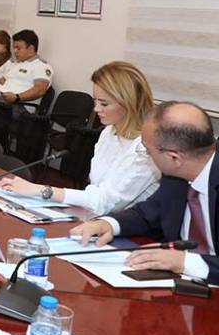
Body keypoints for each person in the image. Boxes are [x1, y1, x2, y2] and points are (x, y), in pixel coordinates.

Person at [71, 102, 219, 284]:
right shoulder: (177, 175)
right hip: (176, 284)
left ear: (174, 157)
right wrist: (109, 224)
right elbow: (148, 213)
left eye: (147, 150)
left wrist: (184, 261)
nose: (146, 155)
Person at [0, 61, 160, 214]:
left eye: (104, 104)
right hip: (98, 217)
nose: (96, 109)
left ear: (129, 103)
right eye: (95, 101)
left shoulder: (147, 147)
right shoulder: (110, 131)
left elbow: (107, 203)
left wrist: (42, 190)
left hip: (128, 227)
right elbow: (95, 188)